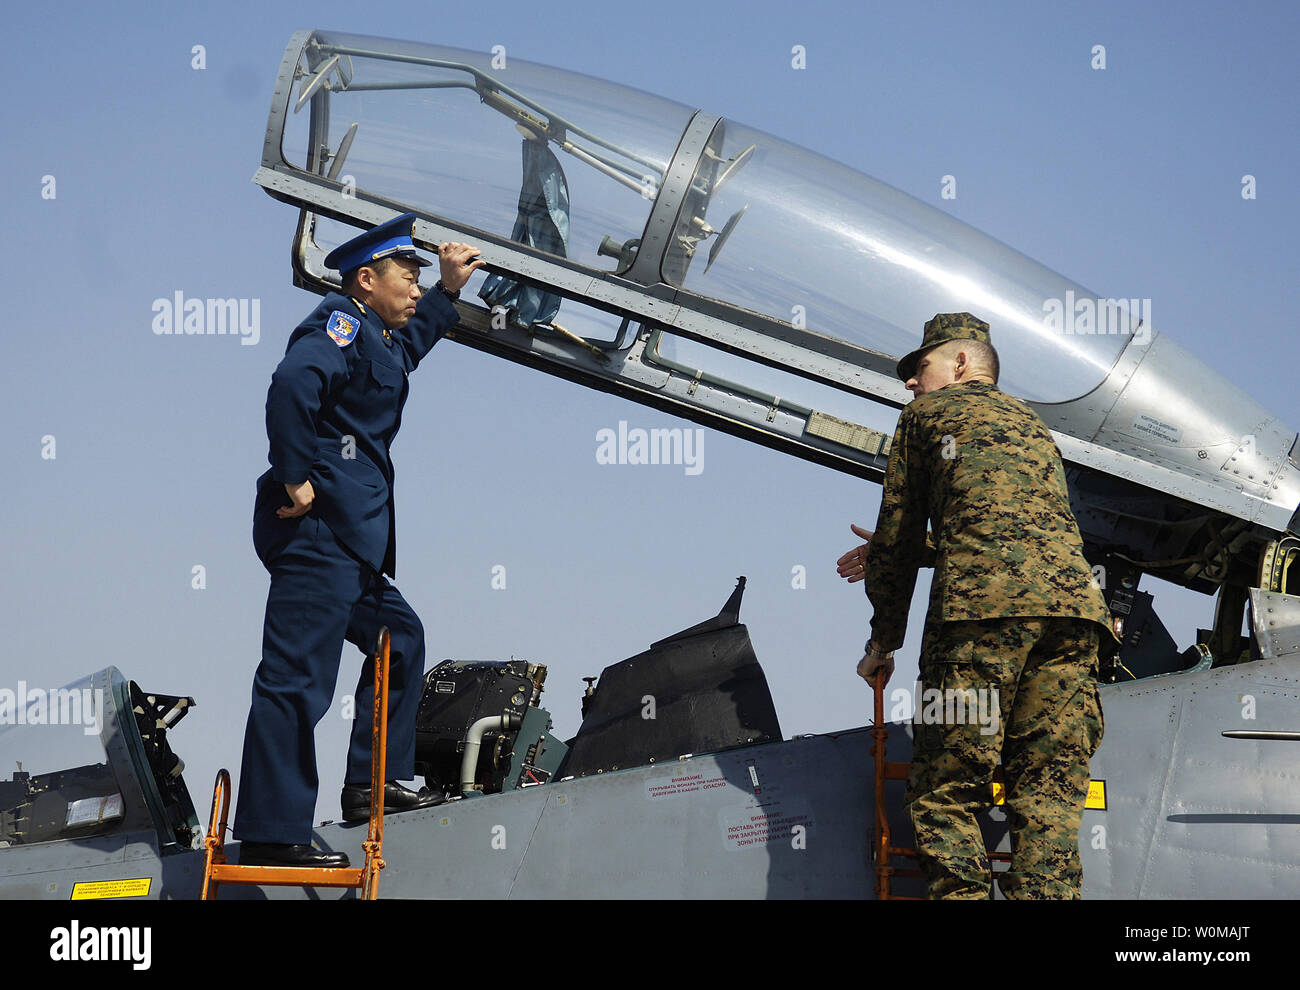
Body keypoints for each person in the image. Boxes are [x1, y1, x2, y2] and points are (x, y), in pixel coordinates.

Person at [234, 213, 485, 868]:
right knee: (298, 680)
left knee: (399, 638)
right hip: (316, 537)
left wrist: (448, 292)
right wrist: (295, 478)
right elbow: (292, 384)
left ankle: (370, 786)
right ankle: (273, 830)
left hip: (352, 544)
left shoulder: (375, 333)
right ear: (366, 279)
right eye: (409, 276)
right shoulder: (336, 324)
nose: (415, 286)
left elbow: (404, 353)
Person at [841, 312, 1115, 899]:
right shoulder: (1031, 424)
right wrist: (928, 549)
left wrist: (881, 642)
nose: (911, 384)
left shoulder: (925, 417)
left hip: (978, 620)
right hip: (1075, 617)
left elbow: (898, 536)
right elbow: (1015, 526)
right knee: (1047, 794)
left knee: (945, 790)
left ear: (961, 364)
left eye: (920, 368)